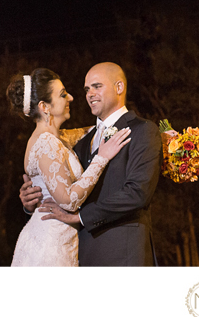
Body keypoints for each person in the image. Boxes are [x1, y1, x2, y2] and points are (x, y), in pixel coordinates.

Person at [19, 62, 162, 266]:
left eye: (97, 86)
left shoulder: (142, 130)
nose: (89, 94)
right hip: (80, 256)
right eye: (87, 89)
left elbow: (138, 193)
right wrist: (33, 201)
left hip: (122, 254)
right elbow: (60, 187)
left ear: (119, 87)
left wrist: (82, 217)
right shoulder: (79, 143)